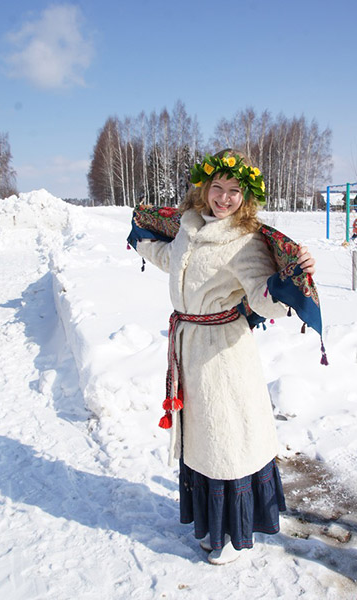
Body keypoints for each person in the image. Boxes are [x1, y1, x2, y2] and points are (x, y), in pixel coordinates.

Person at [133, 149, 316, 565]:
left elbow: (262, 298)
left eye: (234, 190)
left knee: (226, 440)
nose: (224, 197)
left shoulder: (245, 242)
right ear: (204, 187)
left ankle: (232, 534)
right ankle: (209, 525)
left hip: (222, 355)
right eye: (217, 187)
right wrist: (141, 240)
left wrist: (290, 280)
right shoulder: (188, 227)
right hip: (188, 347)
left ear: (246, 196)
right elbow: (174, 262)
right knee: (202, 441)